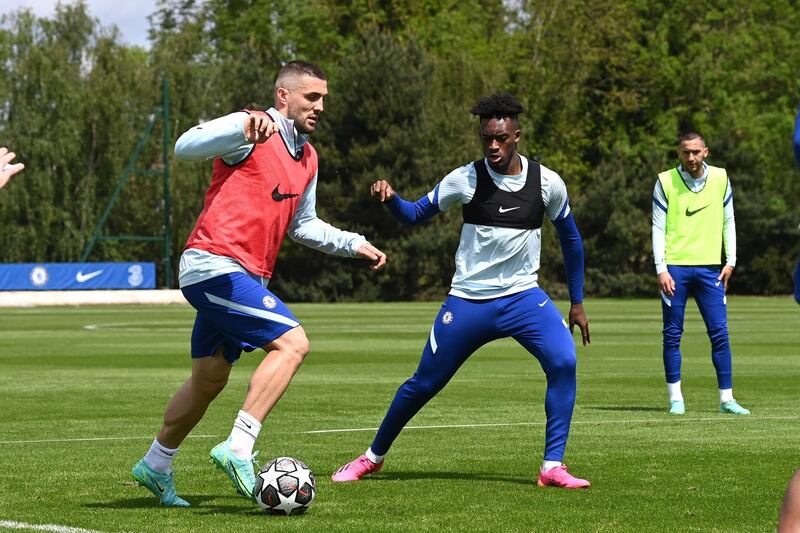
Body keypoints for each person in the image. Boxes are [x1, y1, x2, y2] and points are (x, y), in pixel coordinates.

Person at [131, 60, 387, 507]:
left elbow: (303, 225)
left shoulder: (308, 158)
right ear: (283, 96)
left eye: (324, 98)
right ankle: (238, 447)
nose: (320, 106)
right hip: (213, 266)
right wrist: (237, 127)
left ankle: (154, 465)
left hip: (244, 275)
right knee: (293, 344)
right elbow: (184, 146)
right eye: (312, 97)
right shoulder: (253, 127)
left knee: (208, 379)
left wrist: (354, 244)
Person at [331, 94, 592, 489]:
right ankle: (372, 457)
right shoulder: (465, 178)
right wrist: (391, 199)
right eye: (486, 138)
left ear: (516, 136)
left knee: (563, 362)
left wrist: (577, 302)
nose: (492, 146)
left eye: (500, 138)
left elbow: (571, 240)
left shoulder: (548, 183)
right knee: (425, 383)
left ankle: (552, 467)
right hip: (468, 301)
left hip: (524, 298)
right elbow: (415, 214)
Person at [651, 132, 749, 416]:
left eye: (695, 152)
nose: (691, 158)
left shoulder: (720, 178)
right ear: (678, 153)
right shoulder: (665, 181)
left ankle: (727, 399)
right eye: (685, 152)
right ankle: (676, 399)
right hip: (675, 270)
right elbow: (657, 227)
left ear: (705, 151)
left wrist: (730, 261)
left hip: (710, 270)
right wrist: (661, 268)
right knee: (672, 335)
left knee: (720, 334)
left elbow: (729, 219)